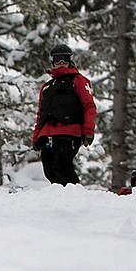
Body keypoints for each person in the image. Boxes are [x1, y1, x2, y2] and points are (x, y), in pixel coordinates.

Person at [32, 44, 96, 186]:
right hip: (47, 134)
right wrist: (36, 136)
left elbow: (89, 106)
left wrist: (88, 130)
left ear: (70, 60)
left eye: (64, 59)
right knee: (50, 170)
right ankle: (61, 198)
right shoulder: (47, 87)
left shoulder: (78, 80)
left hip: (69, 132)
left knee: (62, 165)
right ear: (52, 61)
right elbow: (41, 114)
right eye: (57, 59)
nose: (61, 63)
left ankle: (75, 195)